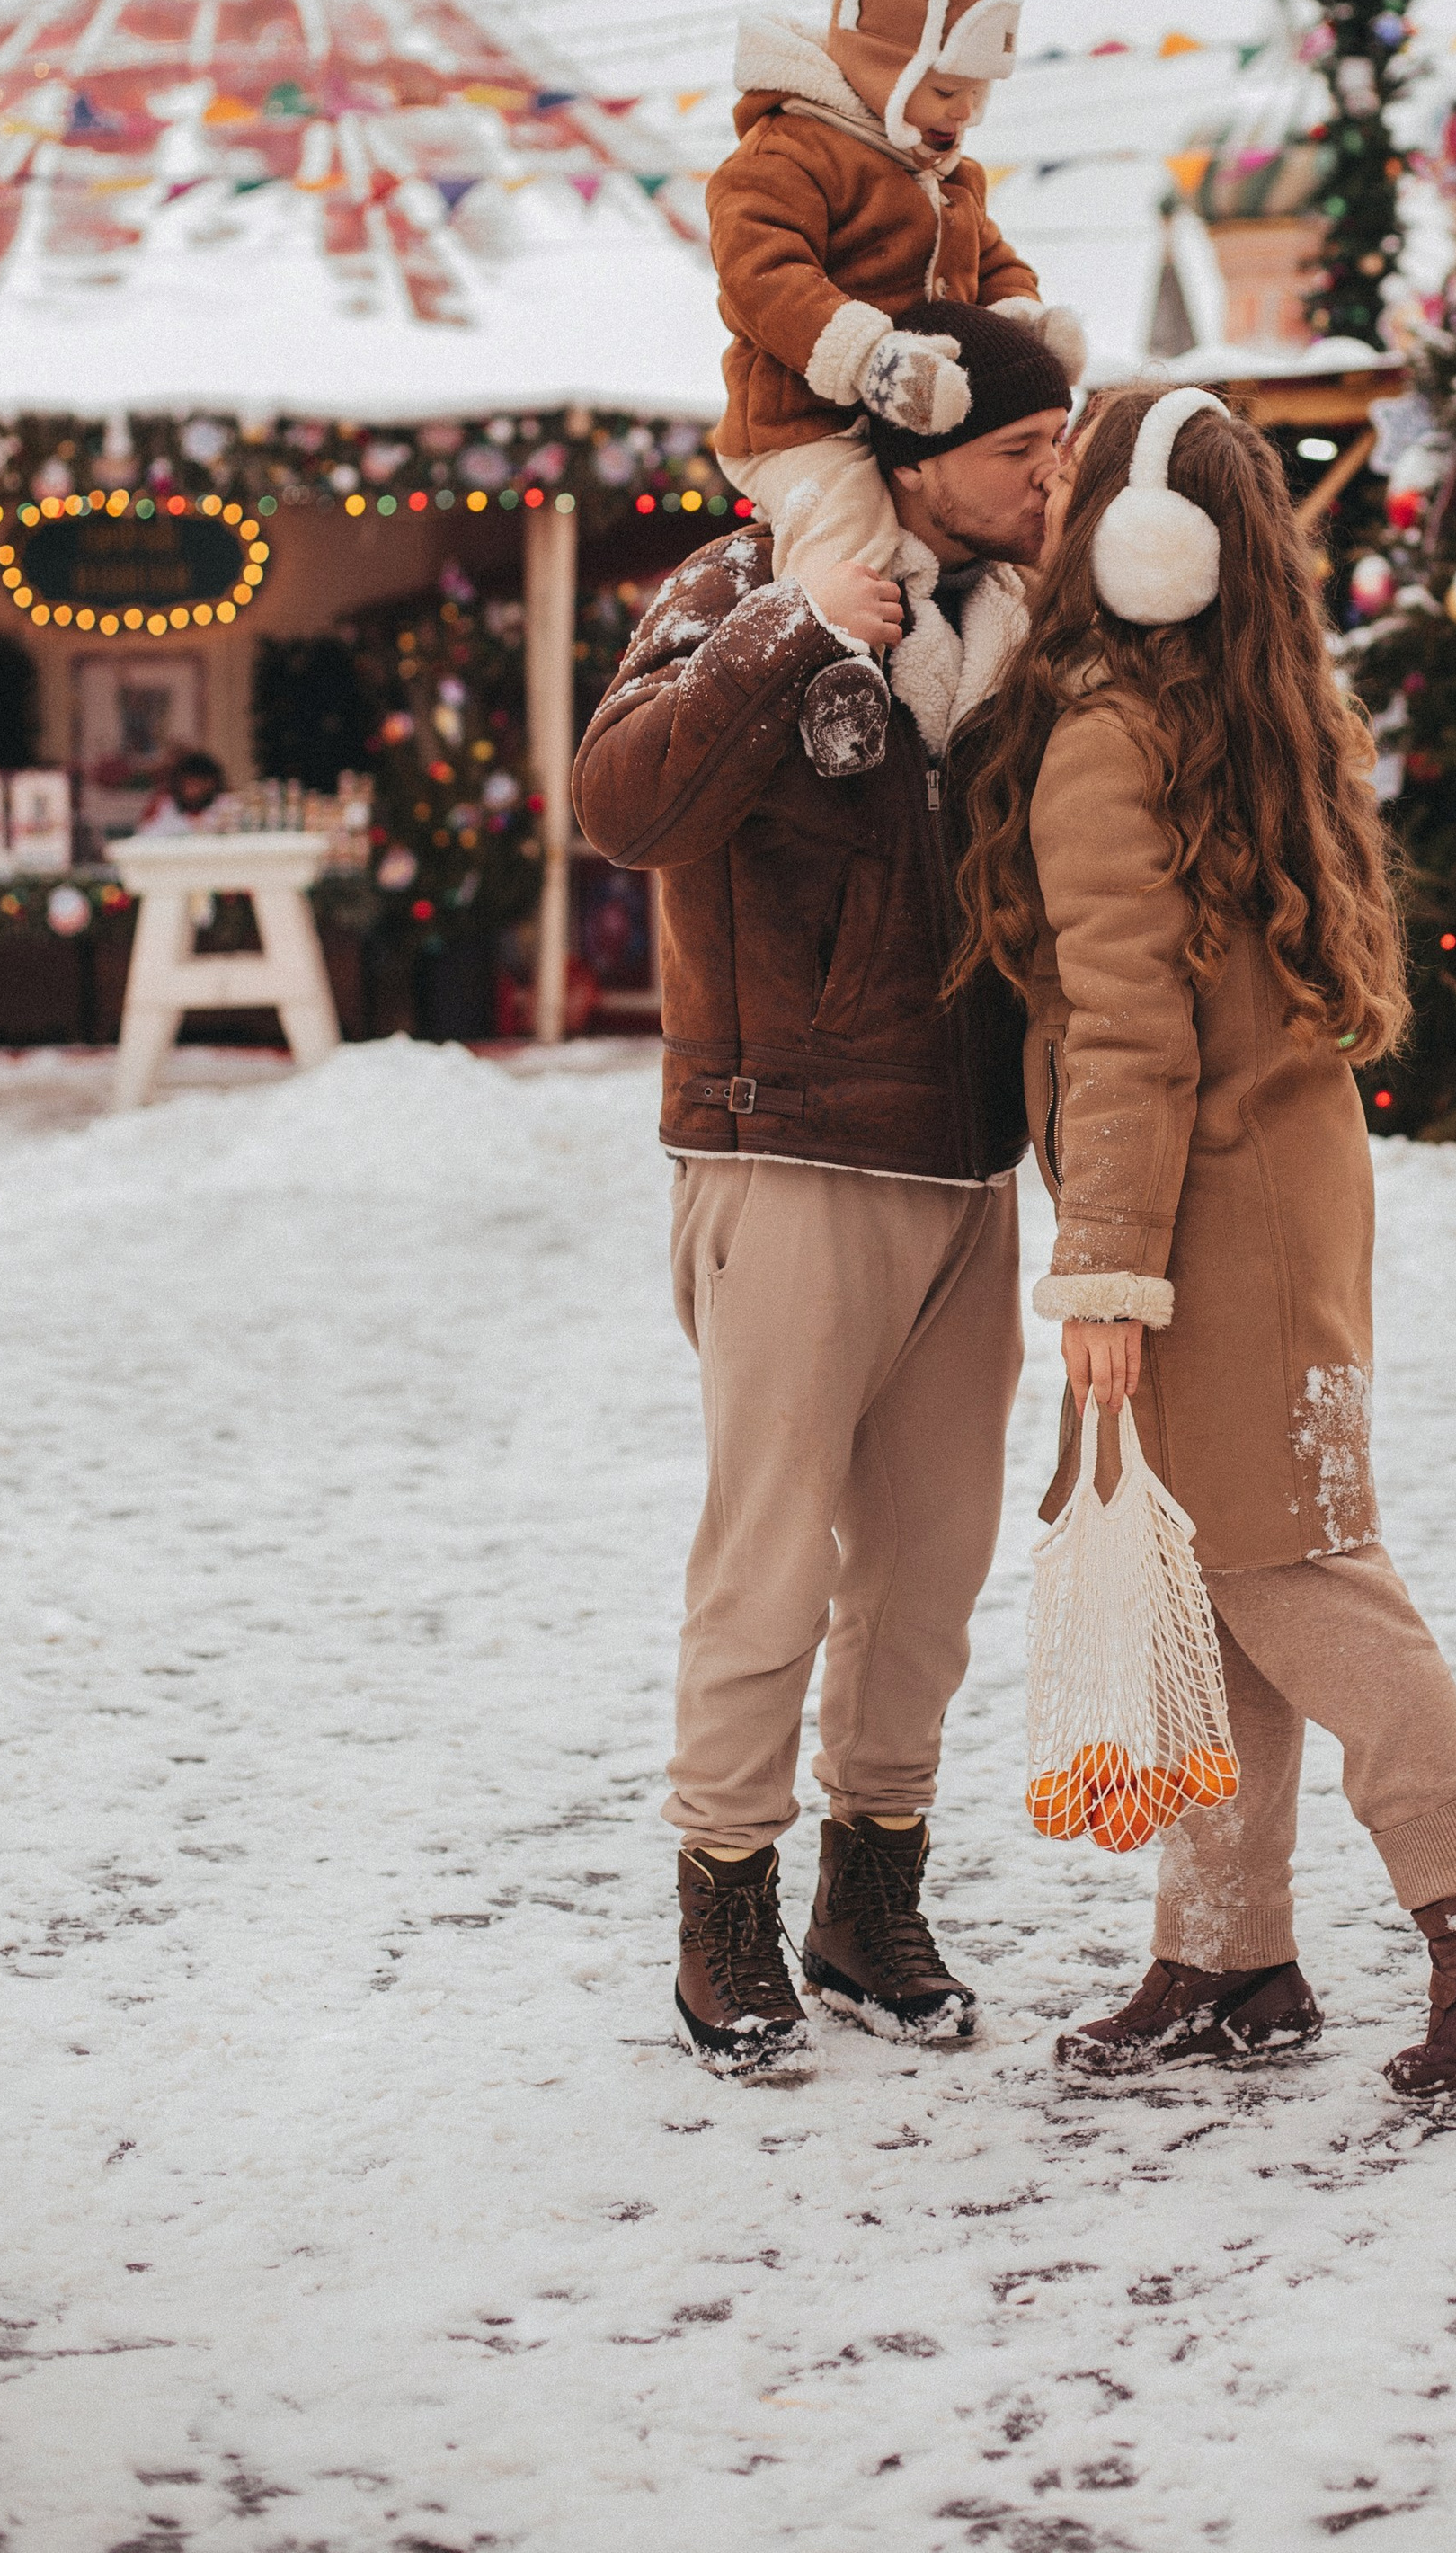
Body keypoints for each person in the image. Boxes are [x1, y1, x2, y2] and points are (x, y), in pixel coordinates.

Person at [953, 384, 1456, 2098]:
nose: (1041, 506)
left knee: (1291, 1568)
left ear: (1136, 542)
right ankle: (1227, 1954)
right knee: (1217, 1571)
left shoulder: (1109, 730)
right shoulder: (1247, 705)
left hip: (1202, 1211)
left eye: (1071, 485)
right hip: (1277, 1187)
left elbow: (1127, 1030)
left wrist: (1102, 1268)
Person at [572, 302, 1075, 2081]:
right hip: (784, 1142)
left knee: (930, 1562)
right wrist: (792, 626)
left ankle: (869, 1899)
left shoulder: (1023, 627)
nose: (1050, 473)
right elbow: (619, 806)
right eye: (1025, 445)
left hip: (964, 1159)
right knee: (770, 1553)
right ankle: (724, 1906)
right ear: (920, 451)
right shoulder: (742, 582)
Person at [706, 0, 1083, 777]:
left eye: (974, 94)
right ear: (879, 67)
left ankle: (985, 710)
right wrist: (868, 358)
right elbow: (762, 274)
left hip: (919, 423)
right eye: (943, 88)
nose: (960, 113)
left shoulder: (952, 180)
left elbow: (993, 260)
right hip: (806, 421)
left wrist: (1022, 321)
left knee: (987, 573)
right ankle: (833, 682)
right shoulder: (789, 155)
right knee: (853, 547)